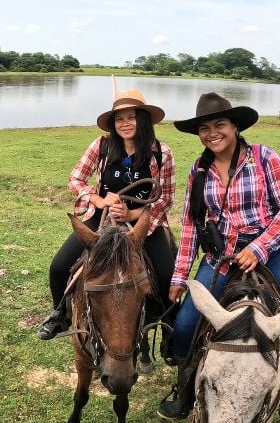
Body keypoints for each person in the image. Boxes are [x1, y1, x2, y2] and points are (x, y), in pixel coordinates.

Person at [156, 92, 280, 423]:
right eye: (204, 128)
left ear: (235, 127)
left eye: (219, 124)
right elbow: (191, 224)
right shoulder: (199, 170)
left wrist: (260, 247)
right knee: (186, 323)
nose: (212, 133)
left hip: (274, 250)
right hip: (221, 255)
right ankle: (184, 386)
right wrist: (179, 277)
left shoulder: (265, 157)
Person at [37, 89, 176, 340]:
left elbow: (165, 197)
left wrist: (132, 213)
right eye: (119, 119)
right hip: (101, 217)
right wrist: (99, 199)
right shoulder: (101, 145)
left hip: (143, 222)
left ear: (143, 120)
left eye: (131, 117)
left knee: (167, 275)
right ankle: (59, 314)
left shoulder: (161, 152)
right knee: (59, 267)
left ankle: (168, 326)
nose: (125, 123)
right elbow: (76, 179)